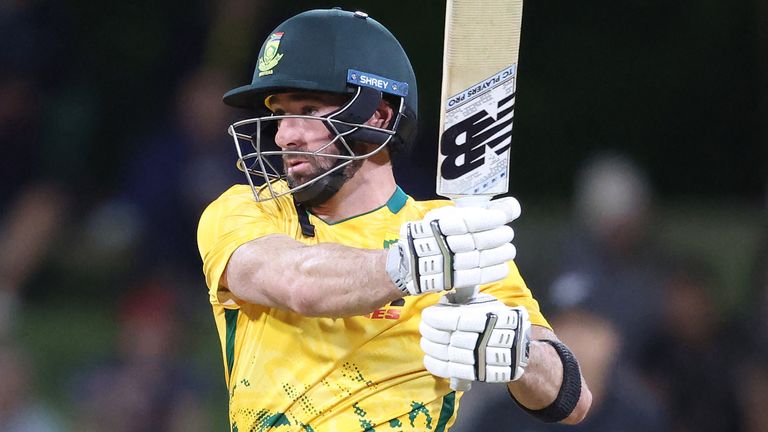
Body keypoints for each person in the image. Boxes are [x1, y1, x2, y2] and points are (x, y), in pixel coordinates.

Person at [197, 8, 591, 431]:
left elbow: (571, 400)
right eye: (279, 114)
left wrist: (515, 354)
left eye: (308, 110)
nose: (283, 135)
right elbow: (299, 283)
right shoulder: (248, 210)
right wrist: (409, 265)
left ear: (377, 116)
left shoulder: (453, 232)